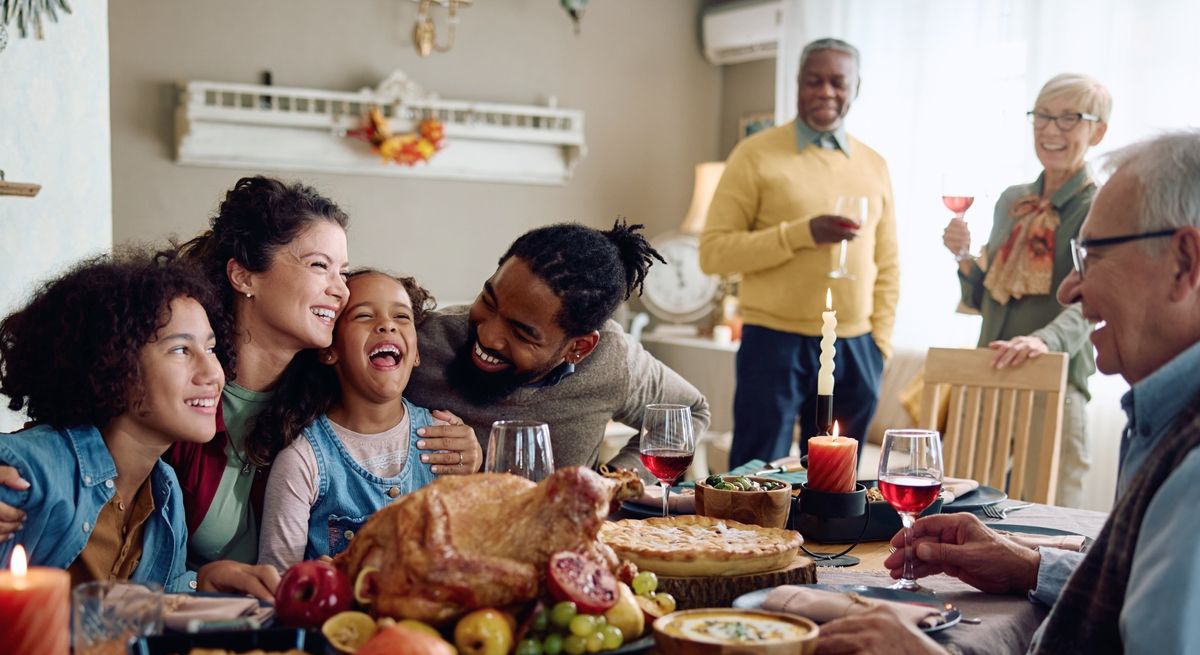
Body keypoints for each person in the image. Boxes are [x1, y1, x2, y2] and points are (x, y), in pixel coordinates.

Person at [810, 131, 1200, 655]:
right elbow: (1131, 584)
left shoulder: (1192, 474)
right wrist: (1031, 566)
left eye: (1093, 256)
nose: (1070, 289)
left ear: (1184, 262)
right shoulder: (1168, 422)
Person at [0, 177, 479, 571]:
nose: (341, 290)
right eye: (319, 266)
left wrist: (468, 449)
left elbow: (397, 405)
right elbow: (65, 451)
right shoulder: (178, 396)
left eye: (343, 271)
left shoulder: (327, 393)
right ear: (243, 276)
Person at [0, 251, 275, 598]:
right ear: (114, 363)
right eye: (180, 350)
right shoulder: (27, 470)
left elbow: (147, 600)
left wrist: (200, 582)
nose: (213, 373)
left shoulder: (165, 490)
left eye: (211, 348)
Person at [699, 37, 899, 469]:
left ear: (856, 87)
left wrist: (878, 345)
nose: (826, 91)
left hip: (856, 347)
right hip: (774, 342)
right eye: (815, 81)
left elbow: (889, 264)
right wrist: (801, 233)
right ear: (797, 85)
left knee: (835, 486)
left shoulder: (874, 164)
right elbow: (713, 254)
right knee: (756, 480)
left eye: (837, 82)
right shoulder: (754, 155)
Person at [406, 220, 711, 475]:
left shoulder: (613, 359)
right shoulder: (420, 341)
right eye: (488, 300)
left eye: (522, 333)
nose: (487, 336)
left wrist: (613, 485)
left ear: (578, 348)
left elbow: (691, 411)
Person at [944, 74, 1110, 507]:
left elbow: (1093, 300)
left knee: (1053, 517)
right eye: (1042, 116)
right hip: (991, 373)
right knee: (967, 508)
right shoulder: (1010, 200)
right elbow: (987, 299)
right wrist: (963, 257)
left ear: (1098, 131)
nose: (1051, 130)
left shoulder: (1100, 206)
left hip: (1056, 378)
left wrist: (1041, 341)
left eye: (1069, 118)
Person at [256, 271, 456, 573]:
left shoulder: (446, 441)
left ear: (416, 353)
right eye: (363, 316)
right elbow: (276, 584)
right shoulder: (302, 459)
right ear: (329, 349)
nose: (387, 324)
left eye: (402, 317)